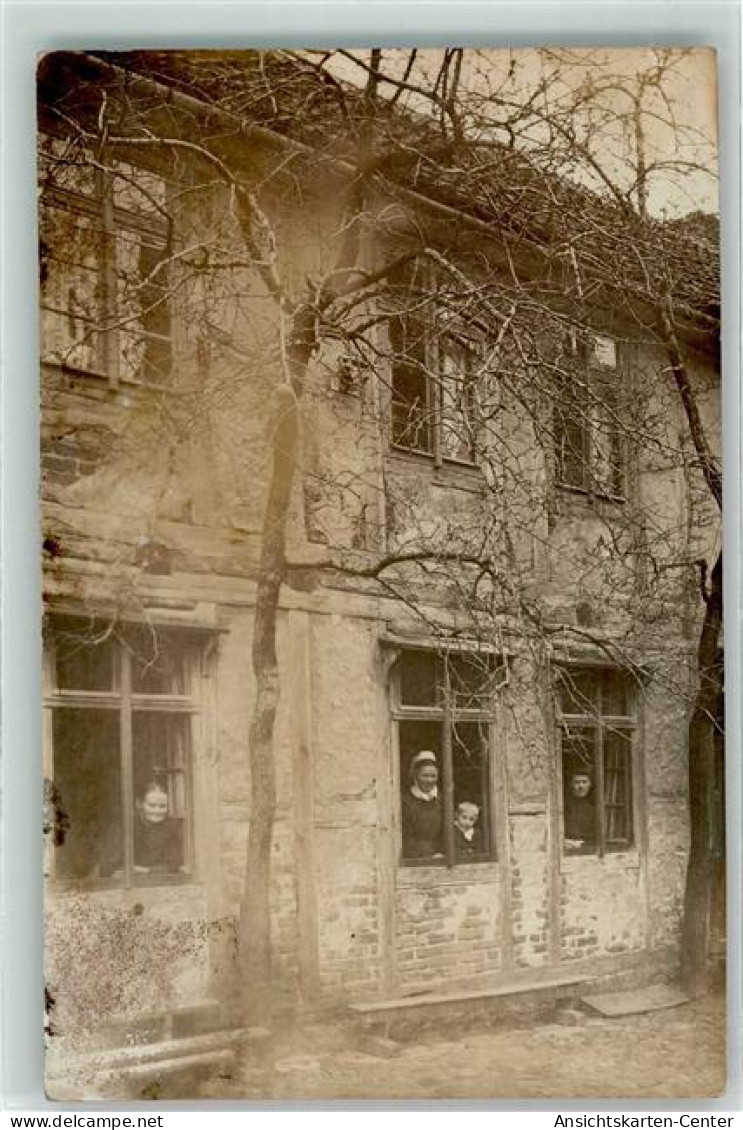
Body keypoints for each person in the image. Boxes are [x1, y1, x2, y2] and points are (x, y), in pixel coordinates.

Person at [133, 779, 184, 874]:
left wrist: (147, 871)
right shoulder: (129, 826)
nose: (157, 811)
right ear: (139, 804)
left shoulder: (172, 827)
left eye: (162, 806)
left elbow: (174, 863)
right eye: (151, 805)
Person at [401, 750, 444, 860]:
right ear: (415, 775)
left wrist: (442, 853)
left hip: (440, 857)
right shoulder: (406, 801)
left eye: (433, 776)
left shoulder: (443, 800)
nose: (429, 780)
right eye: (425, 775)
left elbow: (448, 831)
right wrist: (425, 856)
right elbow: (406, 835)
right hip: (415, 858)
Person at [564, 770, 597, 853]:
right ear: (571, 784)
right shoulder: (564, 804)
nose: (581, 786)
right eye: (577, 782)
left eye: (584, 782)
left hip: (591, 847)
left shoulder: (596, 805)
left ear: (590, 784)